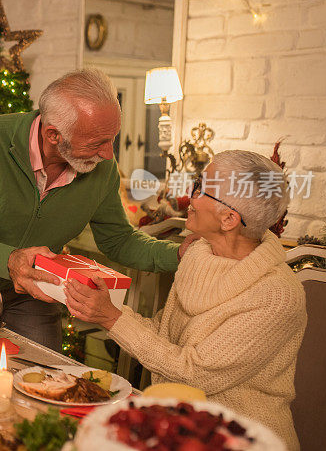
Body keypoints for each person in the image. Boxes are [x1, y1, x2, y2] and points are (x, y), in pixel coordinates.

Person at [0, 69, 193, 350]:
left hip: (38, 295)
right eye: (96, 143)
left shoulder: (102, 169)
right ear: (53, 135)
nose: (108, 155)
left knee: (47, 378)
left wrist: (178, 254)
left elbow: (119, 240)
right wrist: (10, 260)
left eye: (112, 139)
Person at [65, 150, 306, 450]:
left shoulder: (275, 295)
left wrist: (111, 318)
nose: (188, 195)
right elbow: (162, 333)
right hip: (177, 426)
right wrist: (107, 309)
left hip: (240, 438)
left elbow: (194, 374)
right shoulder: (199, 256)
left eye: (201, 188)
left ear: (229, 218)